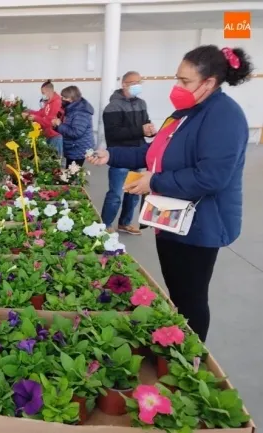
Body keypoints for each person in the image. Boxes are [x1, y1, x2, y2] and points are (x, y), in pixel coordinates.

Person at [87, 45, 253, 342]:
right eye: (177, 78)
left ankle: (192, 355)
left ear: (209, 82)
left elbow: (212, 177)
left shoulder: (224, 116)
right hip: (170, 218)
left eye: (184, 81)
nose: (177, 86)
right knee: (177, 292)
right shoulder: (185, 113)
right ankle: (177, 342)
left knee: (191, 298)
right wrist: (111, 155)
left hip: (200, 225)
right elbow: (154, 153)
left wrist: (154, 182)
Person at [100, 71, 156, 235]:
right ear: (124, 84)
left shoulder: (141, 103)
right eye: (133, 83)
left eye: (139, 82)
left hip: (138, 155)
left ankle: (125, 223)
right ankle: (105, 224)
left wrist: (150, 130)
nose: (137, 86)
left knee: (134, 193)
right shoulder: (113, 107)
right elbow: (113, 134)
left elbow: (145, 123)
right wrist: (140, 130)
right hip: (120, 156)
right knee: (116, 194)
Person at [51, 85, 94, 167]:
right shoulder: (71, 109)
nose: (62, 99)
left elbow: (76, 132)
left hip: (78, 148)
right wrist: (56, 125)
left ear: (72, 99)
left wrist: (59, 124)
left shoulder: (81, 112)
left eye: (64, 97)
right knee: (70, 171)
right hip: (73, 147)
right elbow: (67, 126)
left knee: (72, 172)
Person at [22, 80, 63, 158]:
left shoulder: (57, 103)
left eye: (43, 92)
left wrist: (35, 118)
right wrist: (29, 112)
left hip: (55, 136)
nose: (42, 95)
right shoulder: (49, 102)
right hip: (48, 134)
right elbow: (41, 113)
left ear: (49, 91)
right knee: (49, 159)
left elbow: (50, 122)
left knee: (55, 160)